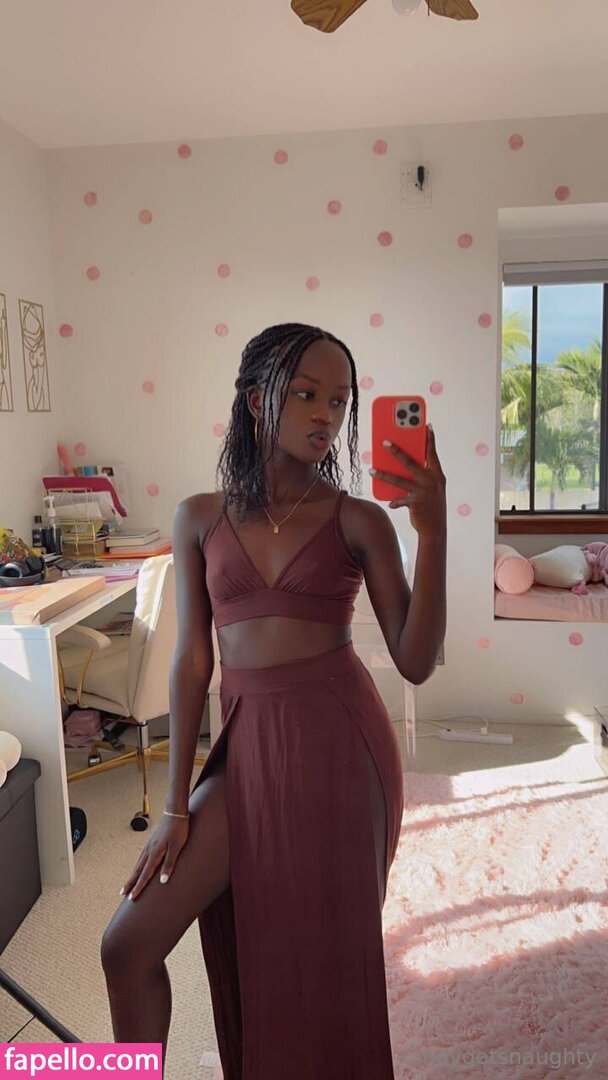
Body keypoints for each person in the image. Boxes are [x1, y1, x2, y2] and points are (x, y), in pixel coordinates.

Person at [101, 323, 447, 1079]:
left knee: (319, 963)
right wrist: (175, 805)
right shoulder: (199, 516)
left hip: (340, 749)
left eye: (340, 400)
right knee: (126, 946)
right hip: (246, 745)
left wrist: (434, 530)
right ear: (258, 400)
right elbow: (193, 661)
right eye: (307, 394)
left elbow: (416, 661)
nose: (327, 415)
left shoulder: (360, 520)